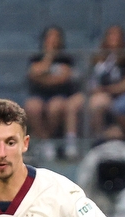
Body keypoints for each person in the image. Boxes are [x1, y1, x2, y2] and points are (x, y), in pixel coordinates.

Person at [25, 25, 85, 160]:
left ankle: (53, 140)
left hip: (61, 95)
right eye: (50, 37)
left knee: (56, 106)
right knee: (32, 107)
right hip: (39, 95)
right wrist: (49, 56)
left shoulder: (67, 59)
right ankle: (45, 143)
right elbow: (35, 74)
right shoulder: (36, 58)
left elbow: (64, 77)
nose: (53, 40)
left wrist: (44, 78)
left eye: (56, 37)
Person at [86, 24, 125, 136]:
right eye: (111, 34)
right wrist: (93, 89)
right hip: (94, 93)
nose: (114, 38)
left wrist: (106, 90)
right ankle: (72, 140)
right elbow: (89, 78)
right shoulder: (97, 58)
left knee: (97, 103)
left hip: (116, 97)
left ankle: (98, 138)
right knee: (74, 103)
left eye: (117, 35)